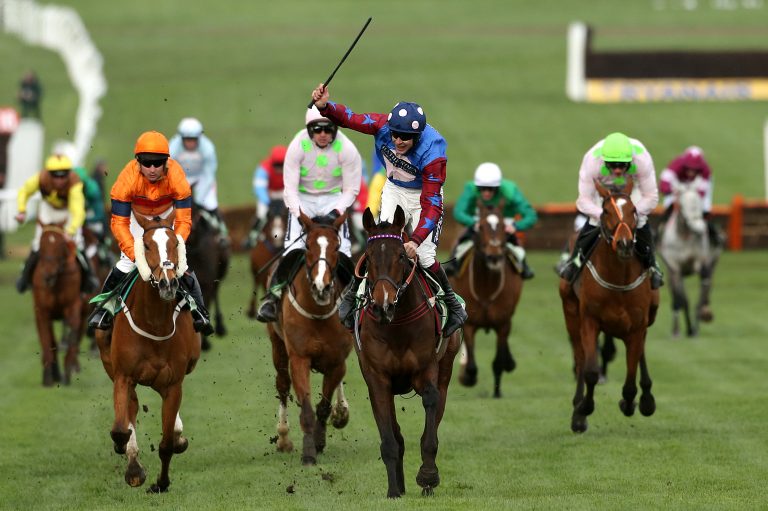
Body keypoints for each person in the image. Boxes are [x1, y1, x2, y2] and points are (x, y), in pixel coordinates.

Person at [311, 84, 467, 338]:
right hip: (394, 187)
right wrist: (325, 107)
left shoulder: (433, 152)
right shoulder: (382, 125)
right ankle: (353, 295)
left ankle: (452, 305)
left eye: (404, 137)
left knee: (425, 256)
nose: (397, 140)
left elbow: (432, 204)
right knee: (379, 243)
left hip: (423, 198)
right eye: (394, 134)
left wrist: (415, 241)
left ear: (418, 136)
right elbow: (350, 118)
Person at [87, 130, 213, 334]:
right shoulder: (125, 180)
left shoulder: (177, 177)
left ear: (167, 162)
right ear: (138, 162)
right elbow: (119, 223)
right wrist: (135, 252)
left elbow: (183, 219)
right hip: (138, 218)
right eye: (147, 163)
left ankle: (200, 312)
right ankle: (104, 310)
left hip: (167, 217)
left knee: (181, 265)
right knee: (126, 264)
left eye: (158, 162)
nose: (152, 168)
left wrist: (176, 245)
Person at [254, 106, 362, 322]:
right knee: (293, 249)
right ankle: (273, 298)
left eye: (328, 129)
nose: (323, 134)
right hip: (303, 201)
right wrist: (300, 214)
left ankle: (355, 301)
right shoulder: (297, 146)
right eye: (317, 129)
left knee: (345, 252)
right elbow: (290, 189)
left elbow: (351, 189)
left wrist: (336, 212)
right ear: (309, 129)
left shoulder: (348, 149)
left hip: (334, 198)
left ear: (335, 129)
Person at [559, 132, 663, 289]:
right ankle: (575, 262)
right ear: (604, 161)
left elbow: (651, 196)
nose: (618, 170)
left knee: (641, 221)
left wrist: (629, 214)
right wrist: (606, 215)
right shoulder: (592, 161)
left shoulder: (642, 159)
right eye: (613, 165)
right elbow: (583, 201)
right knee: (595, 221)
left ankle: (652, 266)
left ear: (631, 160)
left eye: (622, 165)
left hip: (632, 186)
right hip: (603, 187)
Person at [14, 154, 97, 293]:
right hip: (48, 210)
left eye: (63, 175)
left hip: (67, 212)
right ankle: (24, 277)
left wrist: (70, 231)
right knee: (37, 244)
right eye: (55, 175)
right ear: (48, 173)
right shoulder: (40, 178)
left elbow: (78, 211)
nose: (59, 180)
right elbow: (24, 191)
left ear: (69, 173)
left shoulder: (75, 183)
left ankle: (89, 277)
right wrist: (21, 210)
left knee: (78, 243)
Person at [448, 162, 537, 279]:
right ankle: (453, 266)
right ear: (477, 186)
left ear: (498, 187)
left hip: (504, 222)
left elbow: (531, 215)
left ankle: (524, 267)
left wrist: (516, 226)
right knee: (459, 245)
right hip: (478, 221)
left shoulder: (510, 191)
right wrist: (473, 223)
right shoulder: (470, 189)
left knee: (517, 248)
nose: (486, 193)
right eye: (482, 189)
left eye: (491, 189)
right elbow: (458, 212)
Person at [168, 117, 228, 245]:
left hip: (202, 179)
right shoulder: (172, 147)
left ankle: (222, 232)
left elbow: (209, 174)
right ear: (181, 138)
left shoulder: (208, 148)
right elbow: (169, 172)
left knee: (210, 204)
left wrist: (199, 200)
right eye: (187, 140)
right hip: (180, 179)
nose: (190, 143)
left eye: (193, 140)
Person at [659, 146, 721, 246]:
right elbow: (664, 184)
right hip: (677, 187)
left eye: (695, 169)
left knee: (705, 208)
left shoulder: (706, 170)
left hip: (694, 190)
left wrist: (692, 199)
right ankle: (659, 233)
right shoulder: (676, 165)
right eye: (689, 168)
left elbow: (702, 192)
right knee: (668, 207)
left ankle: (713, 235)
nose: (691, 172)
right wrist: (671, 191)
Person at [245, 145, 287, 248]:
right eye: (277, 165)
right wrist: (268, 201)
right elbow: (259, 188)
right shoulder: (263, 168)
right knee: (261, 214)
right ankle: (252, 237)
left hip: (285, 194)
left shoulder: (292, 166)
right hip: (268, 195)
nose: (279, 169)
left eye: (281, 165)